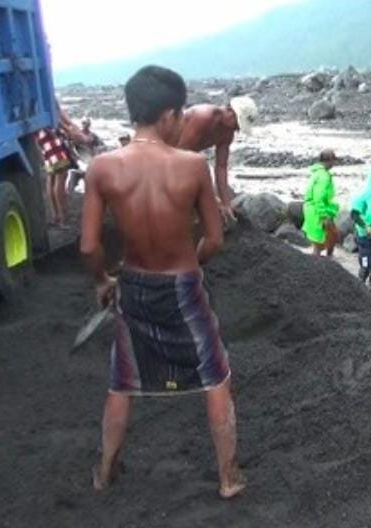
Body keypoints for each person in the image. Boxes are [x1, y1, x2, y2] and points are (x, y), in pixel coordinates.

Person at [80, 65, 244, 499]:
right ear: (170, 114)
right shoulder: (191, 166)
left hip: (134, 283)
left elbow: (88, 246)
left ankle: (105, 470)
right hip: (182, 284)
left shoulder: (101, 168)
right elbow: (214, 238)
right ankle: (228, 477)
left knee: (123, 380)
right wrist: (195, 261)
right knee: (215, 375)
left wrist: (102, 281)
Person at [177, 96, 258, 220]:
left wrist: (226, 203)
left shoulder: (227, 133)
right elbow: (181, 153)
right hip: (167, 151)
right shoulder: (203, 117)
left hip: (183, 156)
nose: (236, 130)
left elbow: (221, 167)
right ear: (230, 111)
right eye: (237, 124)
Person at [302, 149, 340, 256]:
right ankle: (325, 264)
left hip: (311, 210)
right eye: (334, 160)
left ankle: (325, 261)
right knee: (326, 240)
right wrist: (323, 216)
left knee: (323, 240)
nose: (334, 163)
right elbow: (319, 197)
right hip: (318, 212)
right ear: (329, 161)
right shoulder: (324, 176)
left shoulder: (316, 173)